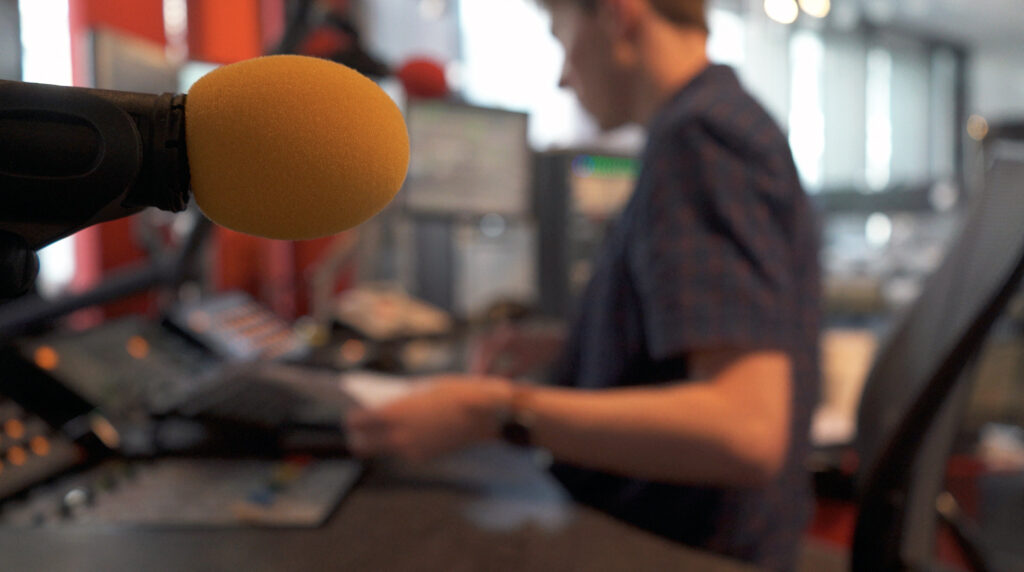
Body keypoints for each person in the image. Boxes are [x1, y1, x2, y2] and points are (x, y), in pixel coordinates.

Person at [346, 0, 821, 569]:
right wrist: (571, 347)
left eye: (560, 36)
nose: (562, 76)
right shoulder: (715, 122)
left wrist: (493, 412)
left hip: (686, 548)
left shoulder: (700, 137)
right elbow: (706, 341)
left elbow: (746, 429)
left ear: (620, 16)